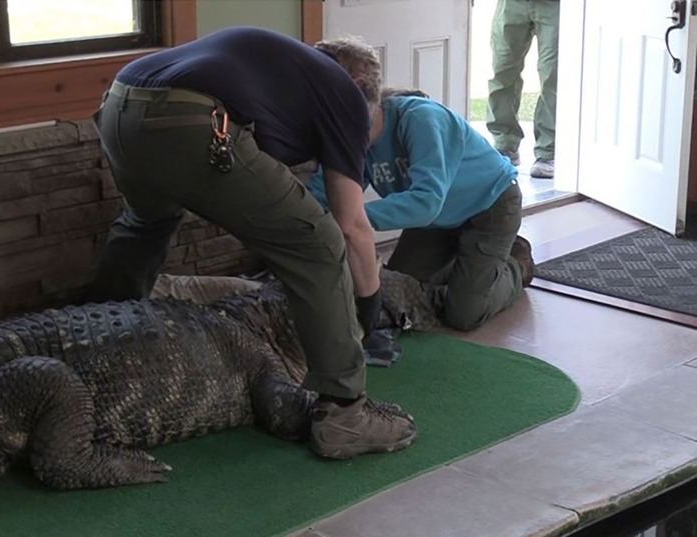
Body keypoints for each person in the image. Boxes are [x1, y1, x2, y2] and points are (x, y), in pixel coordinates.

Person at [84, 26, 416, 460]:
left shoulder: (279, 69)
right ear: (361, 87)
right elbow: (350, 224)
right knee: (317, 245)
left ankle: (94, 342)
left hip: (118, 107)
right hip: (192, 119)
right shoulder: (346, 94)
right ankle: (345, 414)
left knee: (147, 223)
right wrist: (368, 306)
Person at [307, 89, 535, 332]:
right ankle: (470, 268)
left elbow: (427, 202)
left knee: (464, 315)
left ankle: (516, 265)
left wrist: (355, 218)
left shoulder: (420, 118)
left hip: (490, 205)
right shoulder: (351, 140)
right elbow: (320, 193)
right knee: (398, 287)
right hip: (439, 220)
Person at [486, 0, 560, 179]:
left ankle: (548, 152)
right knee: (502, 71)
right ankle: (504, 143)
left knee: (553, 76)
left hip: (556, 6)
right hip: (511, 4)